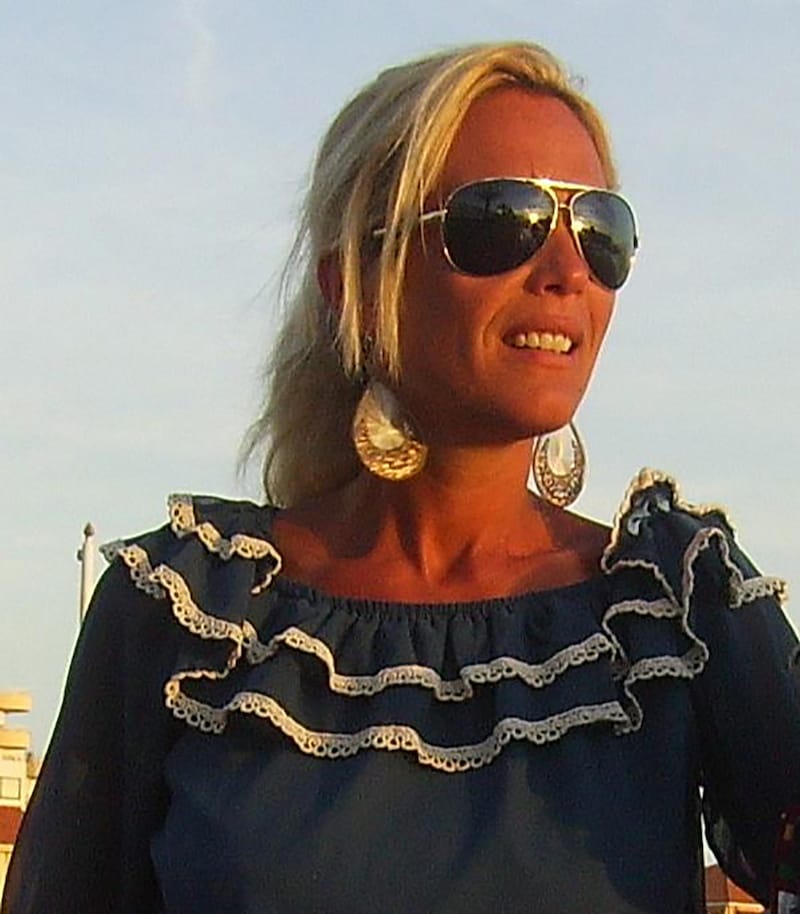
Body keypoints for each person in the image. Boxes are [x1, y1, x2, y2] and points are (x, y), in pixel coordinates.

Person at [4, 41, 799, 914]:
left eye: (601, 232)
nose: (569, 273)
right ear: (353, 281)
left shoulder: (676, 609)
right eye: (503, 220)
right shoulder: (189, 613)